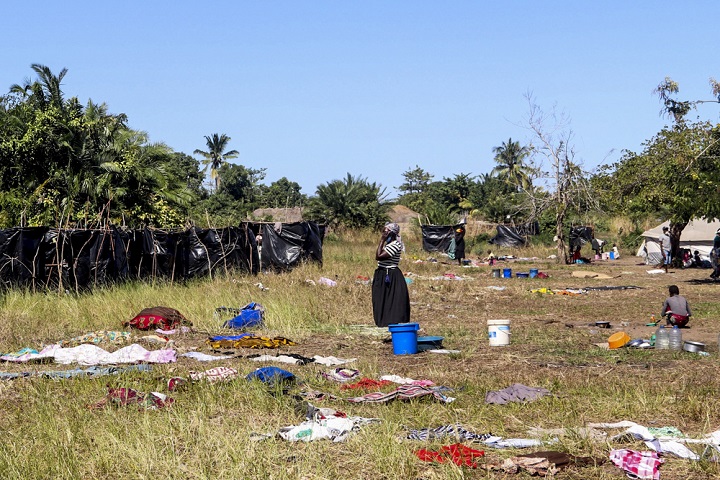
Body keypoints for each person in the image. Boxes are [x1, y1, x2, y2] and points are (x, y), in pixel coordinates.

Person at [372, 223, 410, 328]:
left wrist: (382, 240)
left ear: (391, 233)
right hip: (382, 273)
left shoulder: (395, 245)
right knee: (381, 298)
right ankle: (383, 321)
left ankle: (392, 321)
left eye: (385, 231)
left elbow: (379, 256)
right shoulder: (389, 245)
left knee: (392, 299)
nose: (383, 233)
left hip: (390, 274)